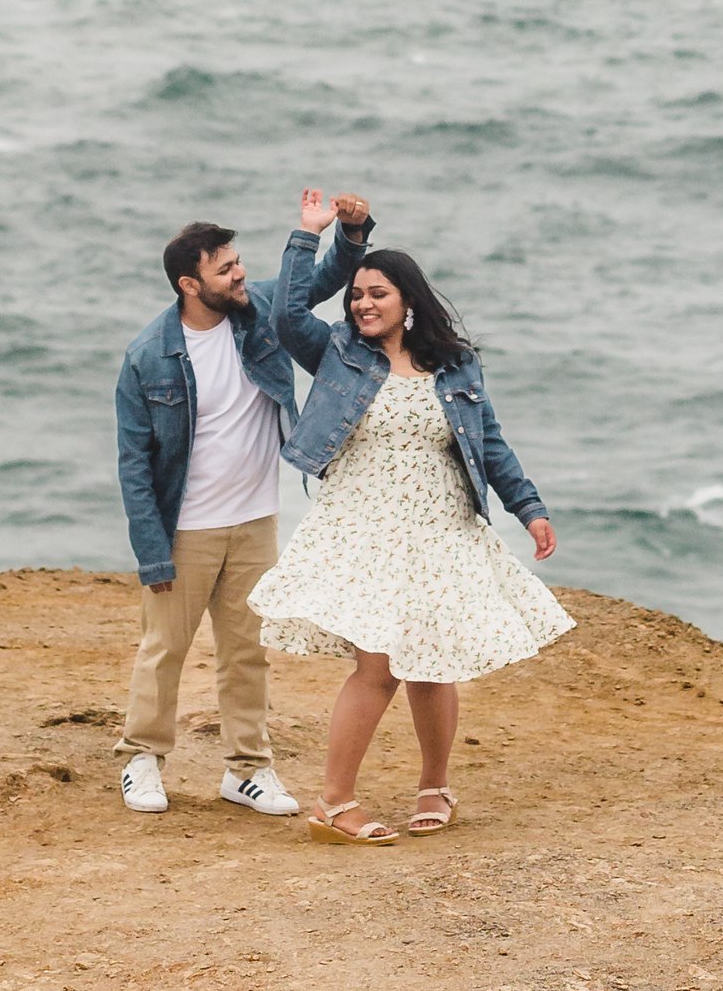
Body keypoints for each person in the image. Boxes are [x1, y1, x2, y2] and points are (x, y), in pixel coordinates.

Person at [249, 205, 570, 841]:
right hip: (366, 530)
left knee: (432, 665)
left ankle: (435, 785)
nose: (364, 304)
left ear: (409, 301)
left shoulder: (453, 366)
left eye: (378, 294)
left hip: (441, 528)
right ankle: (334, 801)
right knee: (378, 668)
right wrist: (312, 237)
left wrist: (529, 510)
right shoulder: (338, 352)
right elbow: (285, 316)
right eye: (357, 296)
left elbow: (491, 442)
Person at [112, 188, 374, 817]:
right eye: (224, 268)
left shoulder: (256, 311)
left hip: (255, 522)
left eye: (238, 262)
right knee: (164, 652)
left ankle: (248, 770)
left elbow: (317, 281)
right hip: (187, 529)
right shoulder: (149, 357)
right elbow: (134, 466)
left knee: (245, 652)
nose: (240, 274)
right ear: (188, 283)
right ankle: (142, 759)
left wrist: (348, 233)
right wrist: (153, 555)